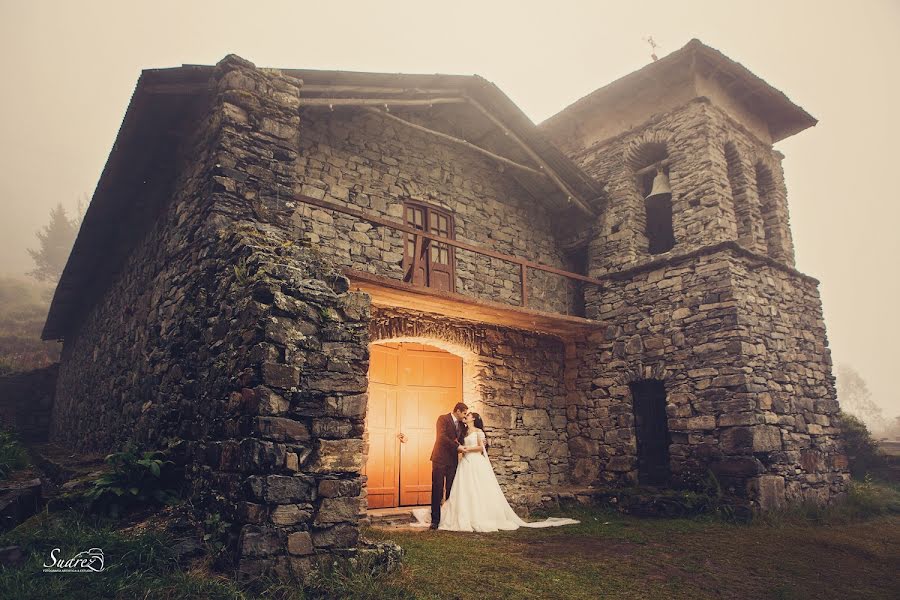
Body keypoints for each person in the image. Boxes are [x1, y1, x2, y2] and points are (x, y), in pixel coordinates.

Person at [418, 412, 579, 532]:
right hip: (465, 463)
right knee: (463, 491)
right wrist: (462, 448)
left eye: (468, 415)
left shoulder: (479, 432)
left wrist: (467, 448)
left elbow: (482, 447)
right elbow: (452, 441)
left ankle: (479, 516)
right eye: (465, 414)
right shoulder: (463, 431)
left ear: (473, 418)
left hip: (474, 461)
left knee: (476, 490)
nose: (465, 417)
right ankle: (447, 517)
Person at [429, 402, 468, 529]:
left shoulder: (462, 425)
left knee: (451, 489)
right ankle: (435, 520)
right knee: (438, 489)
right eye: (464, 413)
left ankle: (448, 519)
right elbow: (441, 437)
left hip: (452, 461)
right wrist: (458, 446)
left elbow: (463, 439)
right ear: (457, 411)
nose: (465, 416)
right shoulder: (443, 419)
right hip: (439, 459)